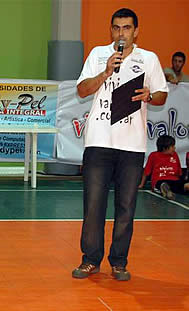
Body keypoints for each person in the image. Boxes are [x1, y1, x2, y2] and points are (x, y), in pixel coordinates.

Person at [72, 8, 168, 281]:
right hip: (98, 143)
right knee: (93, 206)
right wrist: (104, 73)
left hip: (132, 146)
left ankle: (119, 262)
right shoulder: (98, 55)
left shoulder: (148, 59)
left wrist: (150, 95)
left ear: (135, 31)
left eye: (126, 28)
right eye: (116, 28)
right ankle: (90, 259)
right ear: (111, 30)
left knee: (126, 207)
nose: (121, 33)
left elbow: (162, 95)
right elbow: (81, 90)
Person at [139, 135, 189, 200]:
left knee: (179, 185)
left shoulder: (175, 155)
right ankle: (165, 188)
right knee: (161, 184)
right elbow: (146, 172)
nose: (174, 148)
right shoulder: (153, 155)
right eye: (172, 146)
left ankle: (171, 190)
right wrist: (141, 184)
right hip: (160, 180)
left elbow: (179, 172)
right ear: (165, 148)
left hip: (174, 180)